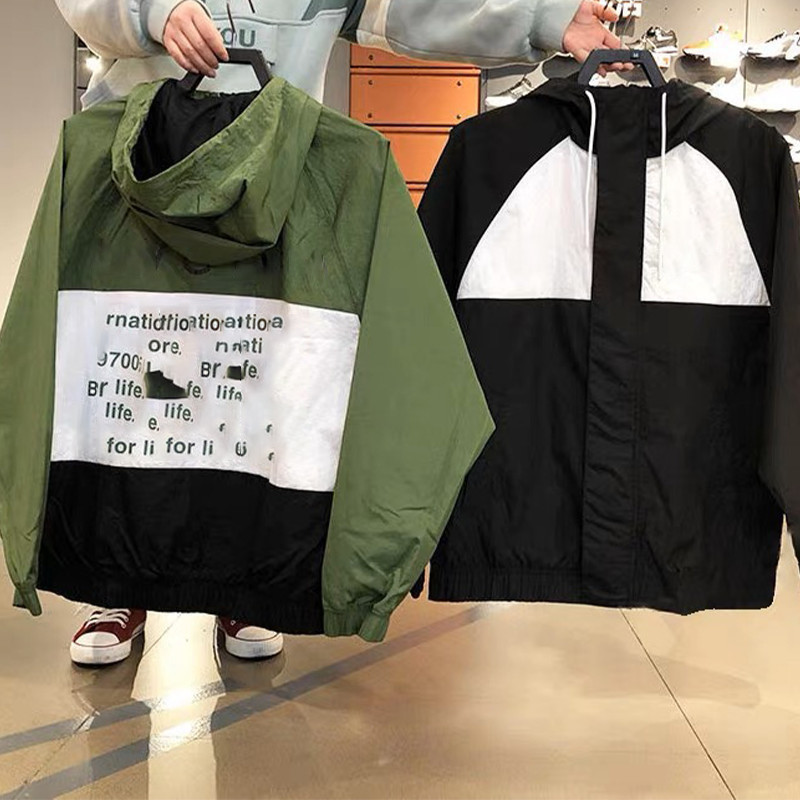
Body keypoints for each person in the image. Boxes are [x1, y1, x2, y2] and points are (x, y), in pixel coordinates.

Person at [56, 0, 624, 665]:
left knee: (255, 388)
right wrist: (156, 11)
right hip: (142, 166)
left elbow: (411, 5)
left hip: (272, 176)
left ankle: (244, 582)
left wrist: (547, 18)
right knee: (135, 386)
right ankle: (114, 582)